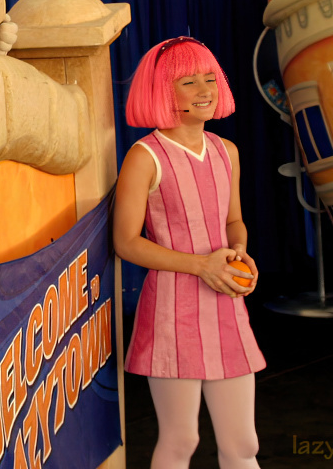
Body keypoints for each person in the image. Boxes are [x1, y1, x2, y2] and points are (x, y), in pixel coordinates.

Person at [113, 36, 264, 469]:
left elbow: (233, 220)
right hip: (172, 314)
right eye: (188, 81)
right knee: (181, 440)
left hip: (226, 309)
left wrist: (238, 253)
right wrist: (202, 265)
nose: (205, 90)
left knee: (244, 444)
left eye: (210, 78)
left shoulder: (226, 151)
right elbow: (126, 242)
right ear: (161, 90)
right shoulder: (145, 156)